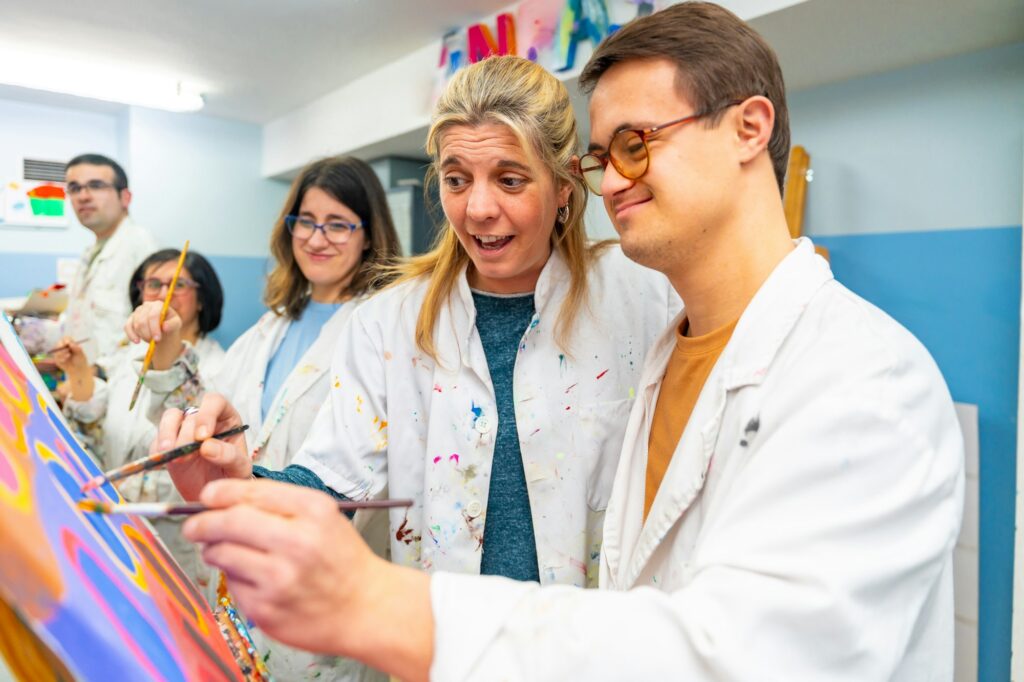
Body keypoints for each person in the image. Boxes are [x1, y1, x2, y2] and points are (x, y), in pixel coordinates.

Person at [175, 4, 965, 681]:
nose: (479, 208)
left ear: (562, 188)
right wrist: (245, 480)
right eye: (455, 179)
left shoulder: (835, 370)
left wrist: (391, 608)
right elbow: (335, 476)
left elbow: (745, 650)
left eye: (636, 145)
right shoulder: (669, 343)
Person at [126, 154, 403, 681]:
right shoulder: (268, 328)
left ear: (369, 235)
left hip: (328, 575)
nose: (317, 239)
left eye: (339, 224)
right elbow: (204, 414)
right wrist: (165, 345)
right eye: (306, 222)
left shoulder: (386, 325)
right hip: (244, 570)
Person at [56, 248, 225, 587]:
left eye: (177, 284)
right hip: (116, 531)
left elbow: (187, 444)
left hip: (175, 543)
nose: (163, 294)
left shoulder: (219, 366)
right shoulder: (126, 357)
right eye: (153, 284)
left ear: (203, 299)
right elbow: (93, 432)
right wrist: (79, 375)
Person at [63, 154, 159, 365]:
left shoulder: (140, 246)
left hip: (117, 382)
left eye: (95, 185)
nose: (83, 196)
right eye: (74, 188)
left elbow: (152, 329)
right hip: (86, 382)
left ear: (125, 197)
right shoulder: (92, 252)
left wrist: (98, 373)